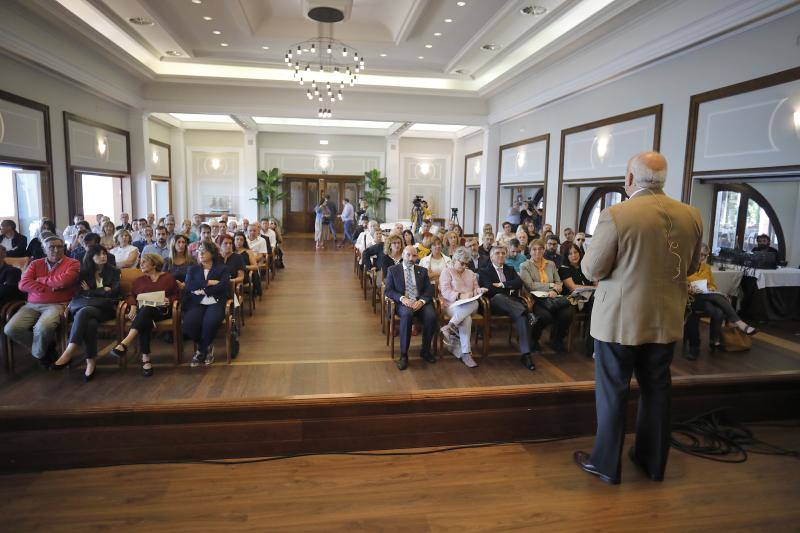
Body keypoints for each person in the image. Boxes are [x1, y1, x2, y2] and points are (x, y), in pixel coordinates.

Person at [573, 151, 703, 486]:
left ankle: (605, 465)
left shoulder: (617, 215)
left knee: (614, 392)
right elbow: (690, 268)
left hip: (619, 321)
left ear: (630, 178)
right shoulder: (691, 215)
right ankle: (652, 462)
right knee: (657, 389)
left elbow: (590, 269)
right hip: (665, 319)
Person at [4, 237, 80, 367]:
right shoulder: (35, 264)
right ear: (44, 249)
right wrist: (50, 287)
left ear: (64, 248)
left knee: (42, 327)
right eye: (51, 247)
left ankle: (40, 354)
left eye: (59, 246)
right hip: (32, 305)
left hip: (58, 304)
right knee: (11, 329)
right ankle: (47, 348)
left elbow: (63, 282)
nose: (56, 250)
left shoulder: (73, 263)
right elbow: (23, 284)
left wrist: (40, 280)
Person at [52, 245, 120, 381]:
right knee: (90, 323)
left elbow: (114, 292)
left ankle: (69, 351)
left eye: (104, 253)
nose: (103, 256)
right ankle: (91, 361)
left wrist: (91, 291)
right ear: (91, 257)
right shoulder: (84, 273)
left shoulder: (114, 272)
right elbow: (78, 293)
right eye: (99, 254)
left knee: (84, 313)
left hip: (106, 310)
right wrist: (102, 291)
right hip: (88, 309)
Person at [111, 253, 179, 377]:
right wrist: (132, 305)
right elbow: (131, 295)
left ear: (153, 264)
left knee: (144, 313)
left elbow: (176, 294)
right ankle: (145, 358)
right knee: (145, 317)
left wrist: (169, 299)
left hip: (162, 311)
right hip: (145, 312)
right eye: (140, 262)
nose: (140, 264)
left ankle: (126, 344)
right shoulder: (139, 281)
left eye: (144, 262)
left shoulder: (168, 277)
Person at [687, 243, 757, 352]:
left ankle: (714, 340)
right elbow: (681, 285)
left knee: (718, 310)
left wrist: (710, 288)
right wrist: (692, 288)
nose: (702, 258)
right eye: (700, 254)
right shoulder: (686, 267)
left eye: (705, 255)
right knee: (719, 303)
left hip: (706, 296)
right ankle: (738, 324)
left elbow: (712, 284)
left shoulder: (706, 267)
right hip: (691, 298)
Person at [479, 245, 536, 371]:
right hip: (494, 304)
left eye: (503, 253)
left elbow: (519, 283)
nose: (501, 255)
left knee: (521, 317)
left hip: (513, 305)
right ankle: (528, 312)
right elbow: (490, 289)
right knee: (499, 296)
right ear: (491, 256)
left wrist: (502, 284)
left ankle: (526, 355)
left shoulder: (510, 269)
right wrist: (508, 289)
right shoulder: (484, 270)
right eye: (497, 253)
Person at [384, 245, 437, 370]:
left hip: (420, 302)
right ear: (403, 255)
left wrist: (422, 301)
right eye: (408, 255)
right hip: (403, 303)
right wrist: (403, 299)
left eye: (414, 256)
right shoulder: (393, 270)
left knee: (431, 316)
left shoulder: (422, 271)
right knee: (407, 315)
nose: (410, 258)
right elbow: (388, 290)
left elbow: (429, 290)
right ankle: (403, 355)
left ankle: (425, 350)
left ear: (417, 257)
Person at [520, 239, 574, 353]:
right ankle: (534, 339)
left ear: (544, 250)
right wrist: (550, 285)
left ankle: (557, 340)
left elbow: (559, 282)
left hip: (552, 297)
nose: (537, 252)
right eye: (534, 249)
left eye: (540, 249)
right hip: (534, 299)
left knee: (567, 313)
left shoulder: (551, 264)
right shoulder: (525, 266)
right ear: (530, 251)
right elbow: (530, 285)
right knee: (545, 316)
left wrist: (555, 290)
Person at [184, 241, 231, 367]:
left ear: (212, 253)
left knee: (210, 321)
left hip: (215, 301)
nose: (201, 253)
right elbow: (189, 285)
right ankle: (206, 345)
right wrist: (208, 283)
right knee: (189, 323)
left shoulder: (222, 268)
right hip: (197, 302)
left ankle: (201, 351)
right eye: (199, 251)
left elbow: (223, 285)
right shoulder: (192, 269)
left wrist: (204, 290)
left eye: (204, 251)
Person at [438, 247, 487, 368]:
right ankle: (466, 353)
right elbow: (445, 291)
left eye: (467, 263)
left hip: (470, 304)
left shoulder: (470, 273)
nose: (464, 266)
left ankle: (450, 326)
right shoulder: (446, 271)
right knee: (466, 319)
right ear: (455, 259)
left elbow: (475, 289)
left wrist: (479, 290)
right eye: (462, 263)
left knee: (474, 303)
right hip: (452, 305)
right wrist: (460, 295)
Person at [559, 243, 596, 358]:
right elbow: (573, 287)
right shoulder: (564, 269)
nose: (574, 255)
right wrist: (594, 288)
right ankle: (591, 348)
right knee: (595, 303)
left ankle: (593, 346)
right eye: (570, 254)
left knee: (598, 307)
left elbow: (596, 282)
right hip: (572, 298)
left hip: (589, 296)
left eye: (575, 252)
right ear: (566, 256)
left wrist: (595, 287)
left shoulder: (585, 267)